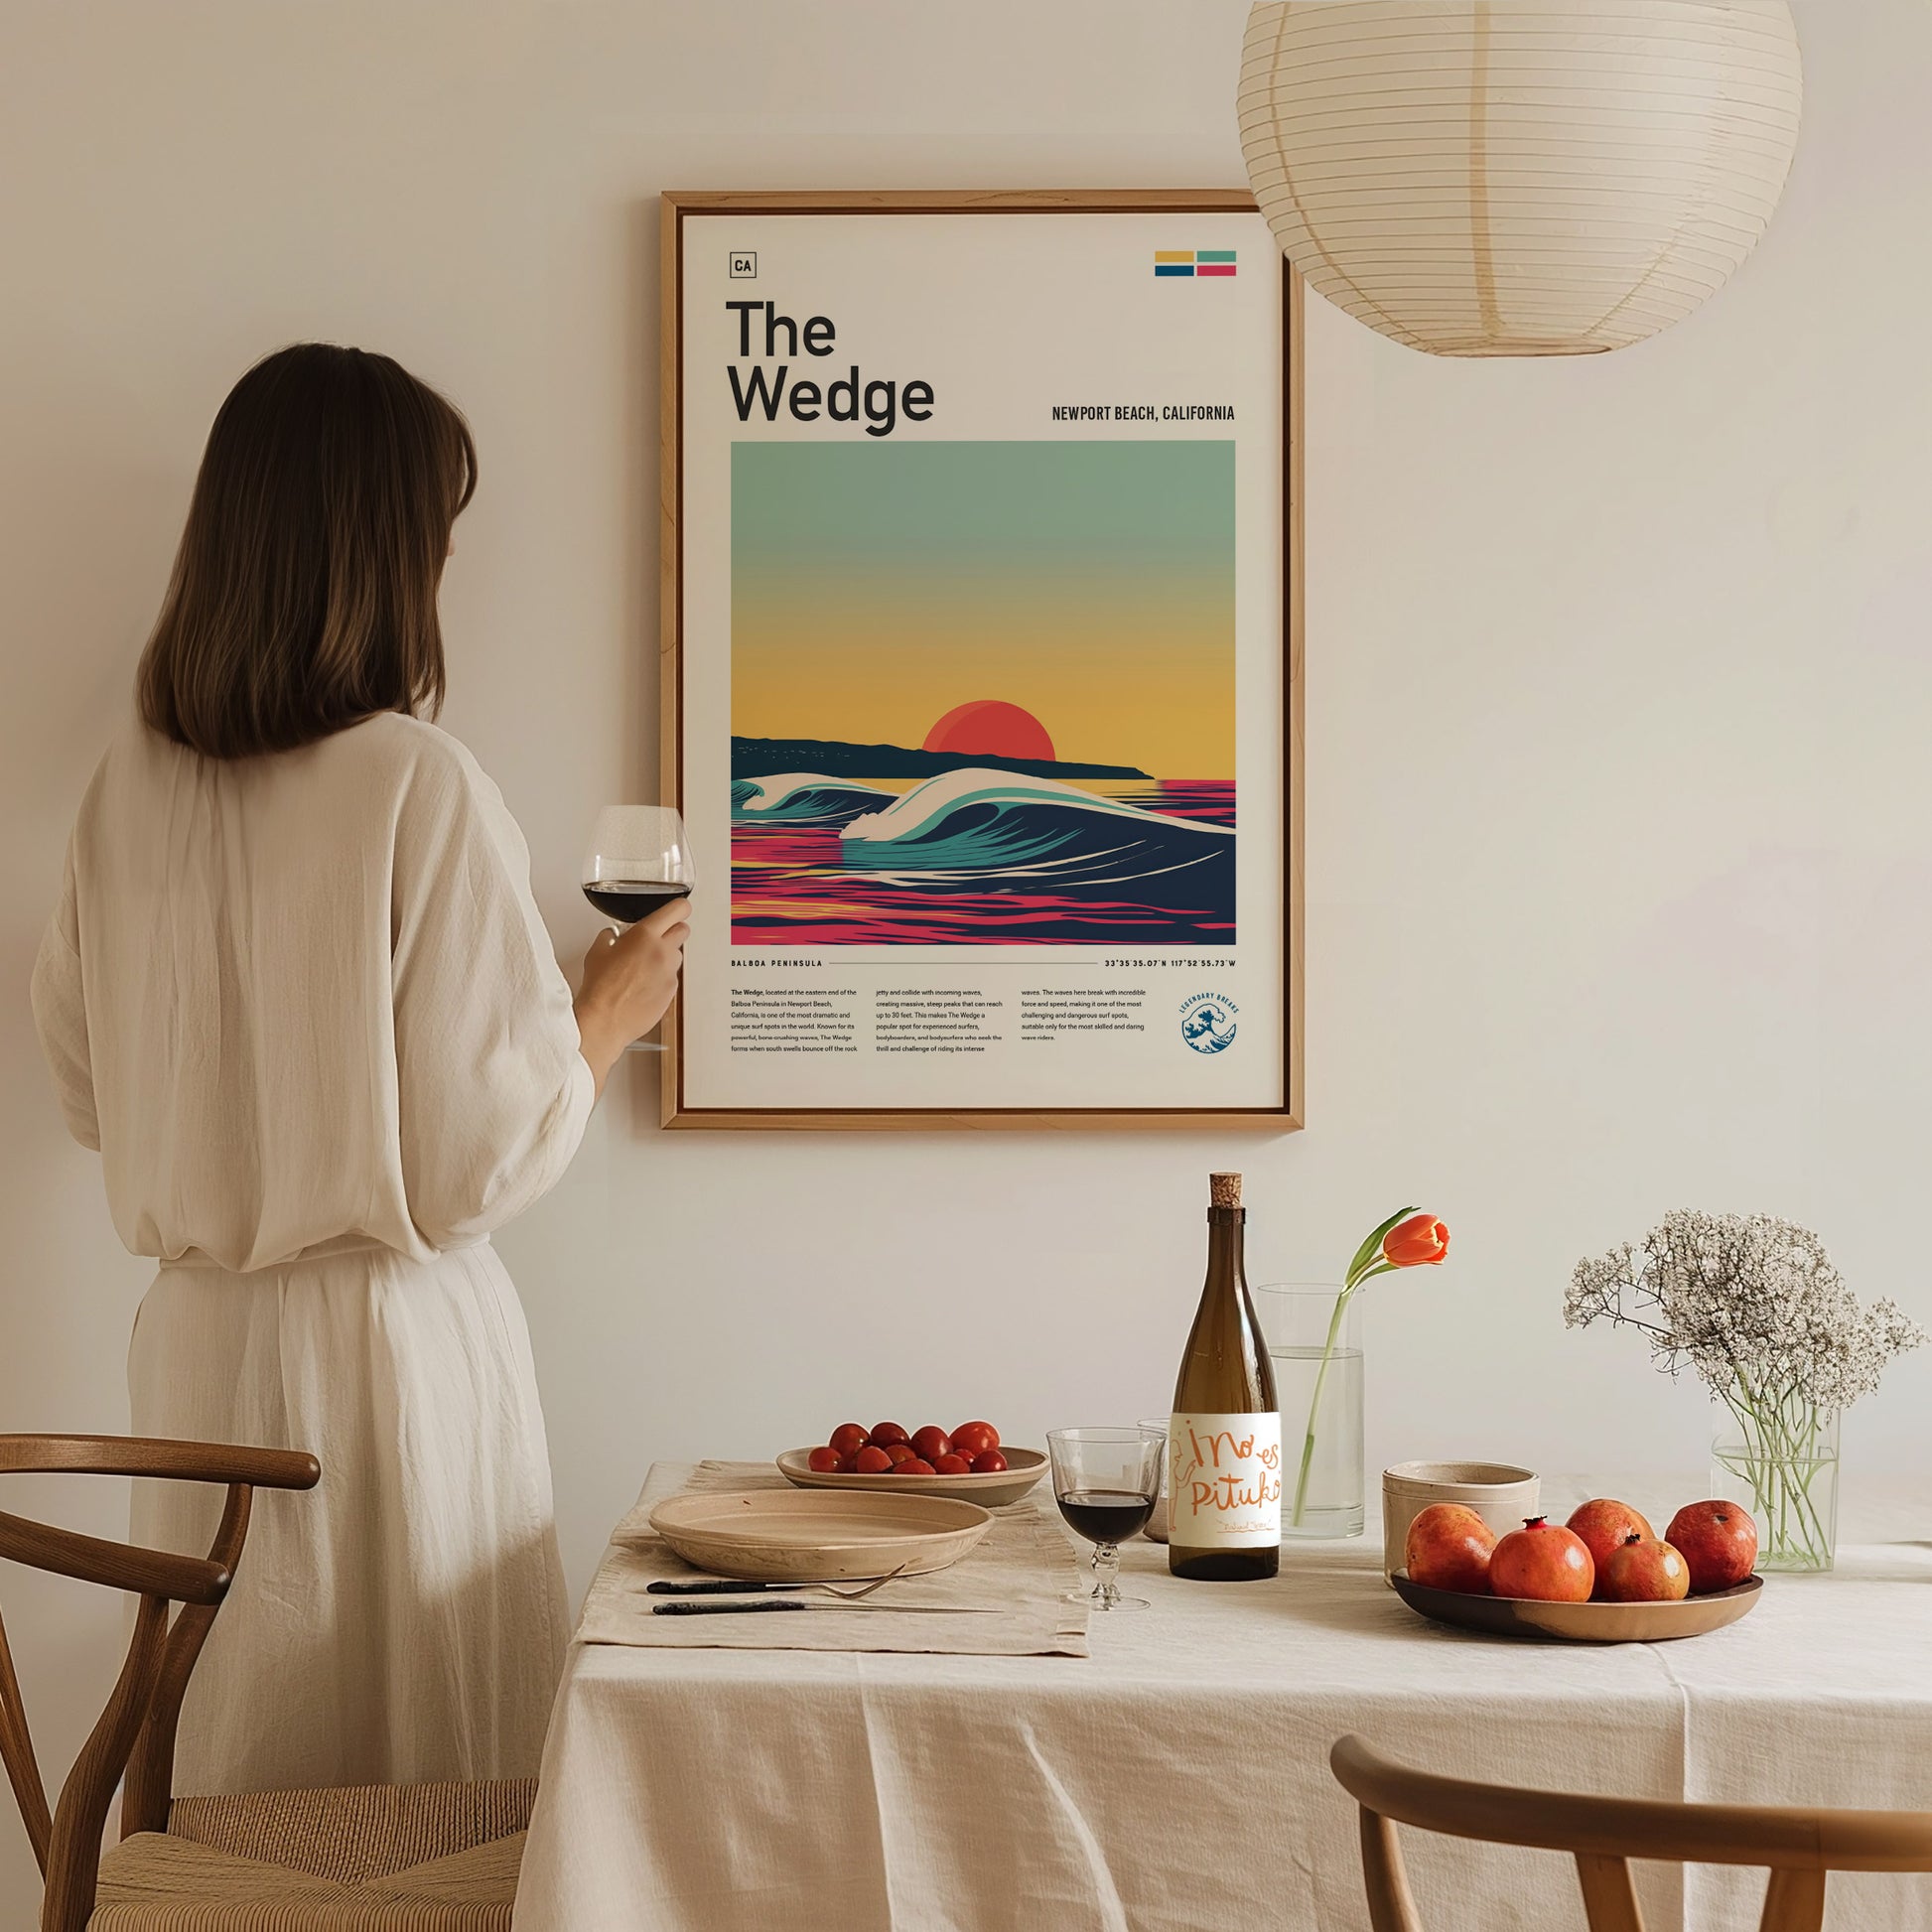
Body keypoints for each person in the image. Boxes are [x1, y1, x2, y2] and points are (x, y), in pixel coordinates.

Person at [29, 343, 684, 1793]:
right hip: (387, 1362)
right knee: (420, 1798)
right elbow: (471, 1165)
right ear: (385, 553)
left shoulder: (122, 792)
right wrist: (603, 1011)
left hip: (197, 1351)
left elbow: (87, 1093)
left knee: (239, 1778)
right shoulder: (414, 780)